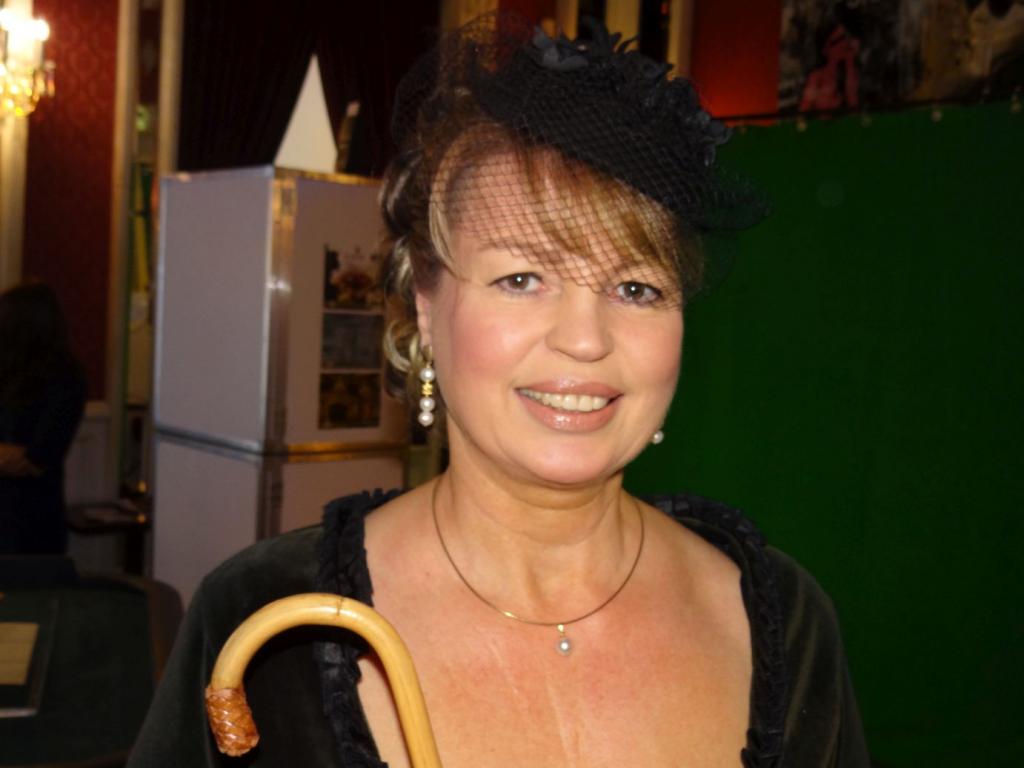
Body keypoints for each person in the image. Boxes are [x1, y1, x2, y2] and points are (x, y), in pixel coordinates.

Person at [129, 15, 869, 768]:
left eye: (636, 288)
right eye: (522, 278)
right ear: (425, 303)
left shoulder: (782, 622)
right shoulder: (268, 630)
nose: (585, 339)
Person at [0, 281, 86, 554]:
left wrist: (19, 456)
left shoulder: (65, 378)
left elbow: (36, 459)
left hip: (29, 520)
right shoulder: (6, 371)